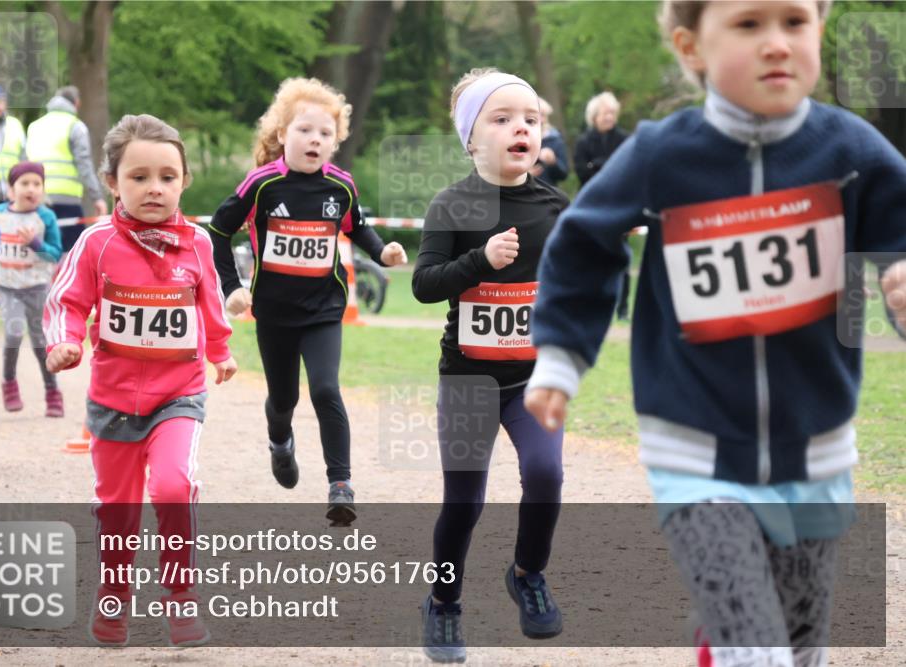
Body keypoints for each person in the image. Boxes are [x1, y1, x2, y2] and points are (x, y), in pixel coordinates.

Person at [526, 2, 906, 666]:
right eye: (749, 24)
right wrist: (560, 357)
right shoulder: (660, 154)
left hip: (816, 448)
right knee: (757, 651)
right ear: (690, 46)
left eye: (795, 22)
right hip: (693, 448)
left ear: (820, 30)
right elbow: (583, 243)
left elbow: (898, 235)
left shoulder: (852, 151)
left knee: (800, 646)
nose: (777, 43)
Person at [44, 113, 237, 647]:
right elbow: (66, 301)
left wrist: (220, 351)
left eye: (167, 177)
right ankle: (114, 596)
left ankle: (180, 595)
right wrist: (65, 342)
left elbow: (211, 302)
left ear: (184, 181)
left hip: (178, 395)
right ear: (112, 182)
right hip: (112, 401)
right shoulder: (97, 243)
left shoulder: (197, 243)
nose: (155, 188)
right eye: (139, 177)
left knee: (174, 486)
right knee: (117, 510)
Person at [411, 67, 570, 663]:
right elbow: (425, 285)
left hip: (533, 379)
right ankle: (443, 602)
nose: (520, 128)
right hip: (468, 381)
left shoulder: (556, 207)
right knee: (464, 504)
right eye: (502, 119)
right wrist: (481, 259)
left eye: (530, 118)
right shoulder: (451, 205)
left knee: (547, 476)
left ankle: (527, 573)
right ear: (471, 139)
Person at [209, 77, 407, 525]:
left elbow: (357, 227)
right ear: (283, 135)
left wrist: (383, 252)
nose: (315, 139)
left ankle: (341, 485)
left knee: (325, 389)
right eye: (304, 130)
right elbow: (218, 231)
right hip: (274, 312)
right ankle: (280, 441)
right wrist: (231, 287)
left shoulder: (341, 186)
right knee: (284, 400)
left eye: (325, 133)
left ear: (335, 143)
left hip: (323, 308)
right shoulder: (262, 185)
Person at [0, 162, 63, 416]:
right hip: (8, 288)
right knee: (13, 335)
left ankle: (52, 391)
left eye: (37, 184)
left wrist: (35, 243)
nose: (31, 189)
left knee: (40, 342)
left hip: (37, 288)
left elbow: (54, 255)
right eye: (25, 183)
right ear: (12, 190)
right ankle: (9, 382)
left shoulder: (46, 218)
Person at [26, 85, 108, 252]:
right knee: (72, 253)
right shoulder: (76, 126)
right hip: (67, 200)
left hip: (37, 197)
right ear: (76, 103)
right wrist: (97, 197)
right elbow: (84, 164)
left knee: (43, 251)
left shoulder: (34, 126)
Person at [574, 91, 633, 320]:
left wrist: (597, 165)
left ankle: (623, 307)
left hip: (620, 205)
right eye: (605, 113)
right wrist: (604, 167)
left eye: (612, 113)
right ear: (594, 116)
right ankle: (593, 304)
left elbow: (627, 169)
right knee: (593, 256)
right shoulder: (583, 141)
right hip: (592, 206)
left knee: (622, 256)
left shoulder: (625, 139)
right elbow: (582, 172)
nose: (609, 117)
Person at [530, 98, 569, 187]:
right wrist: (525, 176)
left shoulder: (556, 140)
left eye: (543, 115)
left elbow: (564, 175)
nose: (541, 120)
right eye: (536, 115)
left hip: (548, 191)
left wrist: (553, 162)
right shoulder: (522, 139)